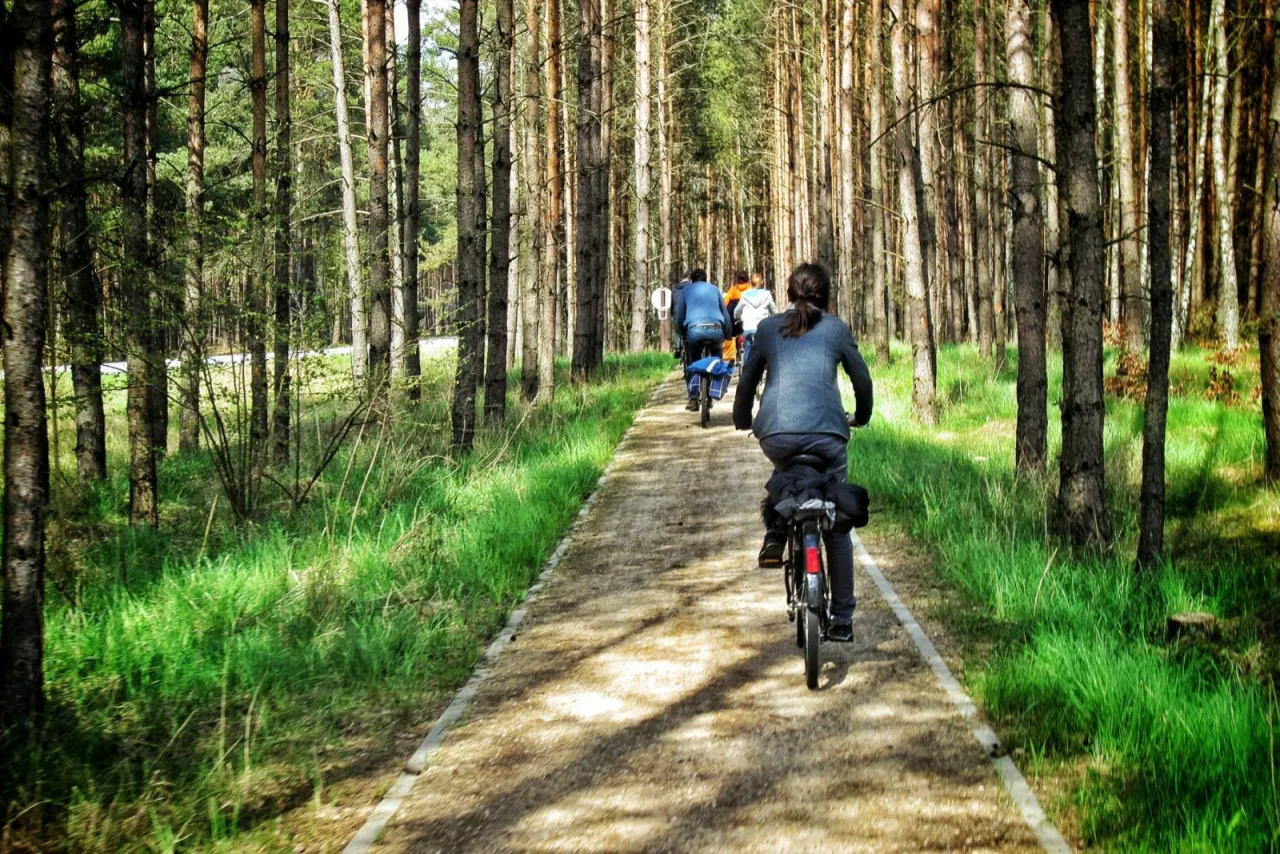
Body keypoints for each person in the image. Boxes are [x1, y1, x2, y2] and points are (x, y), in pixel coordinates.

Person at [733, 263, 873, 642]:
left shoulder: (767, 329)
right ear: (826, 296)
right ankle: (842, 620)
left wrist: (742, 419)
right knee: (837, 527)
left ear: (791, 294)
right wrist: (860, 416)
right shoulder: (836, 329)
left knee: (785, 476)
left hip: (777, 434)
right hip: (829, 434)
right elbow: (862, 379)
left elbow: (747, 381)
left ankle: (777, 529)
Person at [675, 268, 734, 411]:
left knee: (693, 361)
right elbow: (725, 315)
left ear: (692, 280)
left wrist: (683, 333)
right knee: (716, 359)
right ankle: (715, 390)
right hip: (715, 329)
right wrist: (727, 334)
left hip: (694, 330)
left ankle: (693, 398)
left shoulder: (686, 291)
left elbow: (679, 315)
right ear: (705, 279)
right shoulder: (714, 289)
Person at [734, 271, 778, 365]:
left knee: (747, 347)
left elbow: (737, 310)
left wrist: (737, 317)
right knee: (765, 346)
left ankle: (746, 368)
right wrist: (775, 317)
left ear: (750, 282)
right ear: (762, 282)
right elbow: (774, 310)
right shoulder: (767, 295)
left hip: (748, 328)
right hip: (762, 327)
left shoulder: (745, 295)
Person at [722, 272, 752, 364]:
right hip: (747, 319)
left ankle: (730, 356)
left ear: (738, 280)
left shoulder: (733, 290)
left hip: (733, 319)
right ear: (748, 280)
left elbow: (725, 303)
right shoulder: (750, 290)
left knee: (731, 335)